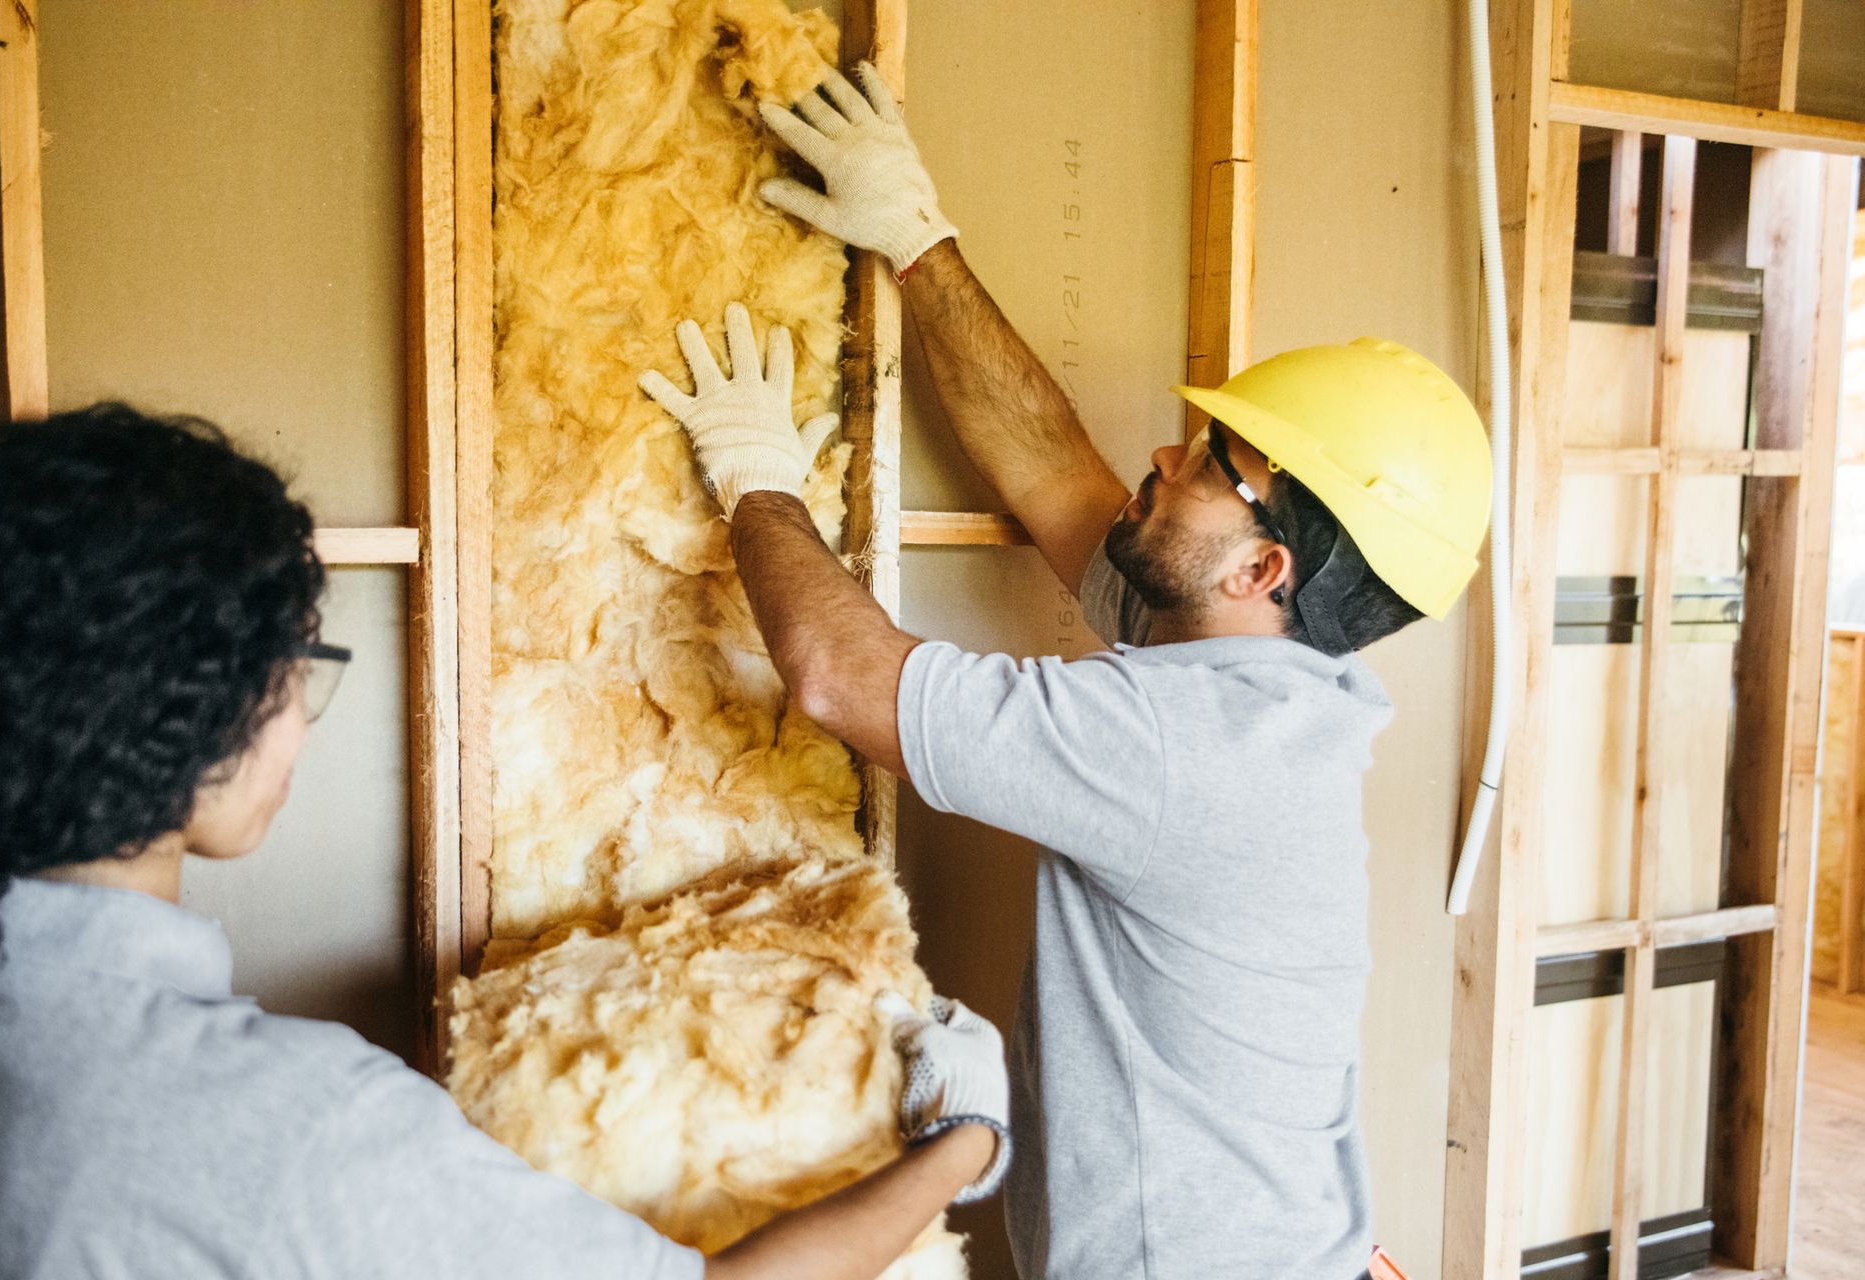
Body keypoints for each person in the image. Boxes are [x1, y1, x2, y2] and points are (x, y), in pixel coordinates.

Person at [638, 65, 1493, 1280]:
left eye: (1209, 463)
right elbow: (1055, 475)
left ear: (1263, 568)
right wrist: (917, 240)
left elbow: (835, 672)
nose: (1165, 451)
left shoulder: (1170, 743)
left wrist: (756, 474)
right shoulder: (1270, 687)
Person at [0, 404, 1010, 1280]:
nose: (297, 715)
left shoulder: (0, 1013)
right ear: (189, 708)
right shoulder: (275, 1120)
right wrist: (963, 1136)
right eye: (295, 666)